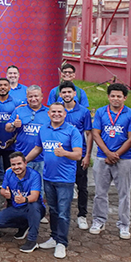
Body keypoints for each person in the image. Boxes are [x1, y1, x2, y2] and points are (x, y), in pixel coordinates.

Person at [27, 102, 83, 259]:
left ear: (65, 114)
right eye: (53, 111)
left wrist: (65, 153)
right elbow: (37, 148)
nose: (56, 114)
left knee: (63, 212)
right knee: (53, 210)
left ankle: (62, 243)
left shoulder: (72, 131)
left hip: (65, 179)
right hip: (48, 177)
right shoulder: (43, 129)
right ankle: (54, 237)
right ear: (49, 113)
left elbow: (78, 154)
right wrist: (24, 161)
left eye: (59, 112)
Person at [91, 83, 131, 238]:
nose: (115, 99)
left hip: (123, 159)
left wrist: (116, 154)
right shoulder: (101, 112)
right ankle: (99, 220)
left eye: (119, 96)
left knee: (124, 193)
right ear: (108, 97)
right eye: (112, 96)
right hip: (102, 157)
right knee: (100, 192)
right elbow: (96, 134)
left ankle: (124, 225)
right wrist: (107, 153)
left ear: (125, 98)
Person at [0, 152, 45, 252]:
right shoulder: (9, 173)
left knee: (34, 206)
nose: (16, 167)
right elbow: (2, 190)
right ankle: (23, 226)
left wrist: (24, 199)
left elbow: (35, 196)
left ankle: (32, 240)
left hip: (32, 207)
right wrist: (5, 193)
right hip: (17, 207)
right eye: (13, 164)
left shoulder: (34, 175)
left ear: (25, 163)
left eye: (19, 163)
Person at [58, 81, 93, 230]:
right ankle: (60, 214)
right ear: (60, 94)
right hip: (61, 156)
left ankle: (82, 215)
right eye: (64, 92)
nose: (67, 95)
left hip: (79, 155)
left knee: (82, 187)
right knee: (61, 186)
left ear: (74, 94)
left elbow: (89, 134)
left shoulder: (84, 112)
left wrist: (87, 155)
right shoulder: (57, 110)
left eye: (69, 92)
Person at [0, 78, 20, 183]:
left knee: (11, 174)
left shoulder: (17, 103)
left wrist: (13, 139)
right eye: (0, 85)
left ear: (9, 88)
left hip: (11, 144)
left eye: (5, 85)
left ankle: (9, 192)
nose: (2, 87)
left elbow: (20, 125)